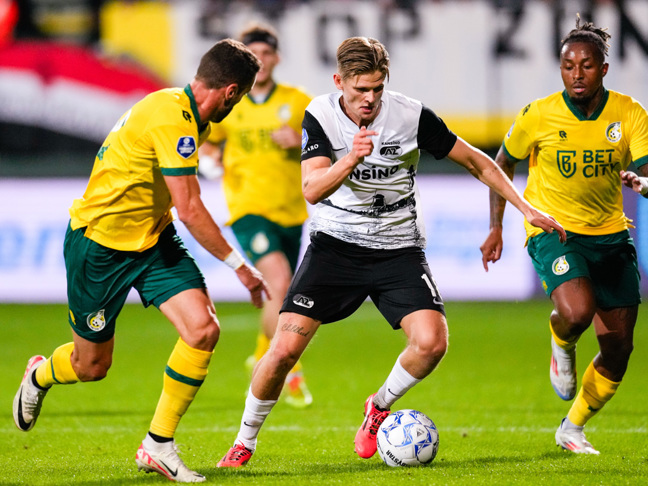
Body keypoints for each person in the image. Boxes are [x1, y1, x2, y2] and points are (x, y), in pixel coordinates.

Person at [216, 36, 566, 468]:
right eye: (360, 89)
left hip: (398, 248)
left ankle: (379, 406)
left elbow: (477, 161)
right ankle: (244, 441)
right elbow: (312, 189)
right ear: (339, 82)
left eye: (378, 88)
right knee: (284, 350)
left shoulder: (411, 115)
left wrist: (526, 208)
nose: (370, 98)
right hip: (335, 248)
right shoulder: (320, 114)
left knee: (432, 343)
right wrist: (350, 160)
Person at [12, 39, 267, 483]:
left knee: (203, 329)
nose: (239, 102)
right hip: (100, 246)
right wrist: (239, 266)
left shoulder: (185, 115)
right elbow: (190, 209)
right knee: (91, 367)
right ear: (230, 91)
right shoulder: (175, 120)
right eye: (241, 95)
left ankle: (158, 445)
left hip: (152, 239)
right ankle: (39, 375)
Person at [480, 17, 648, 455]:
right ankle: (562, 343)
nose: (577, 74)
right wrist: (497, 225)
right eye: (568, 66)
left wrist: (643, 183)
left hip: (611, 235)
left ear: (603, 69)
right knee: (576, 312)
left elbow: (646, 169)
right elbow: (502, 163)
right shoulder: (538, 114)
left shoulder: (629, 112)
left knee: (619, 349)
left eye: (586, 65)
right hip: (555, 230)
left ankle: (571, 428)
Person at [199, 22, 313, 408]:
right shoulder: (231, 101)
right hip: (248, 210)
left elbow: (327, 145)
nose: (261, 61)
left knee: (284, 292)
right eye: (254, 55)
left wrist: (301, 142)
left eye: (266, 53)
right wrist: (210, 160)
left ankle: (263, 353)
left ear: (276, 57)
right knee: (279, 284)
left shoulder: (298, 101)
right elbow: (206, 140)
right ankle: (286, 368)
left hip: (291, 212)